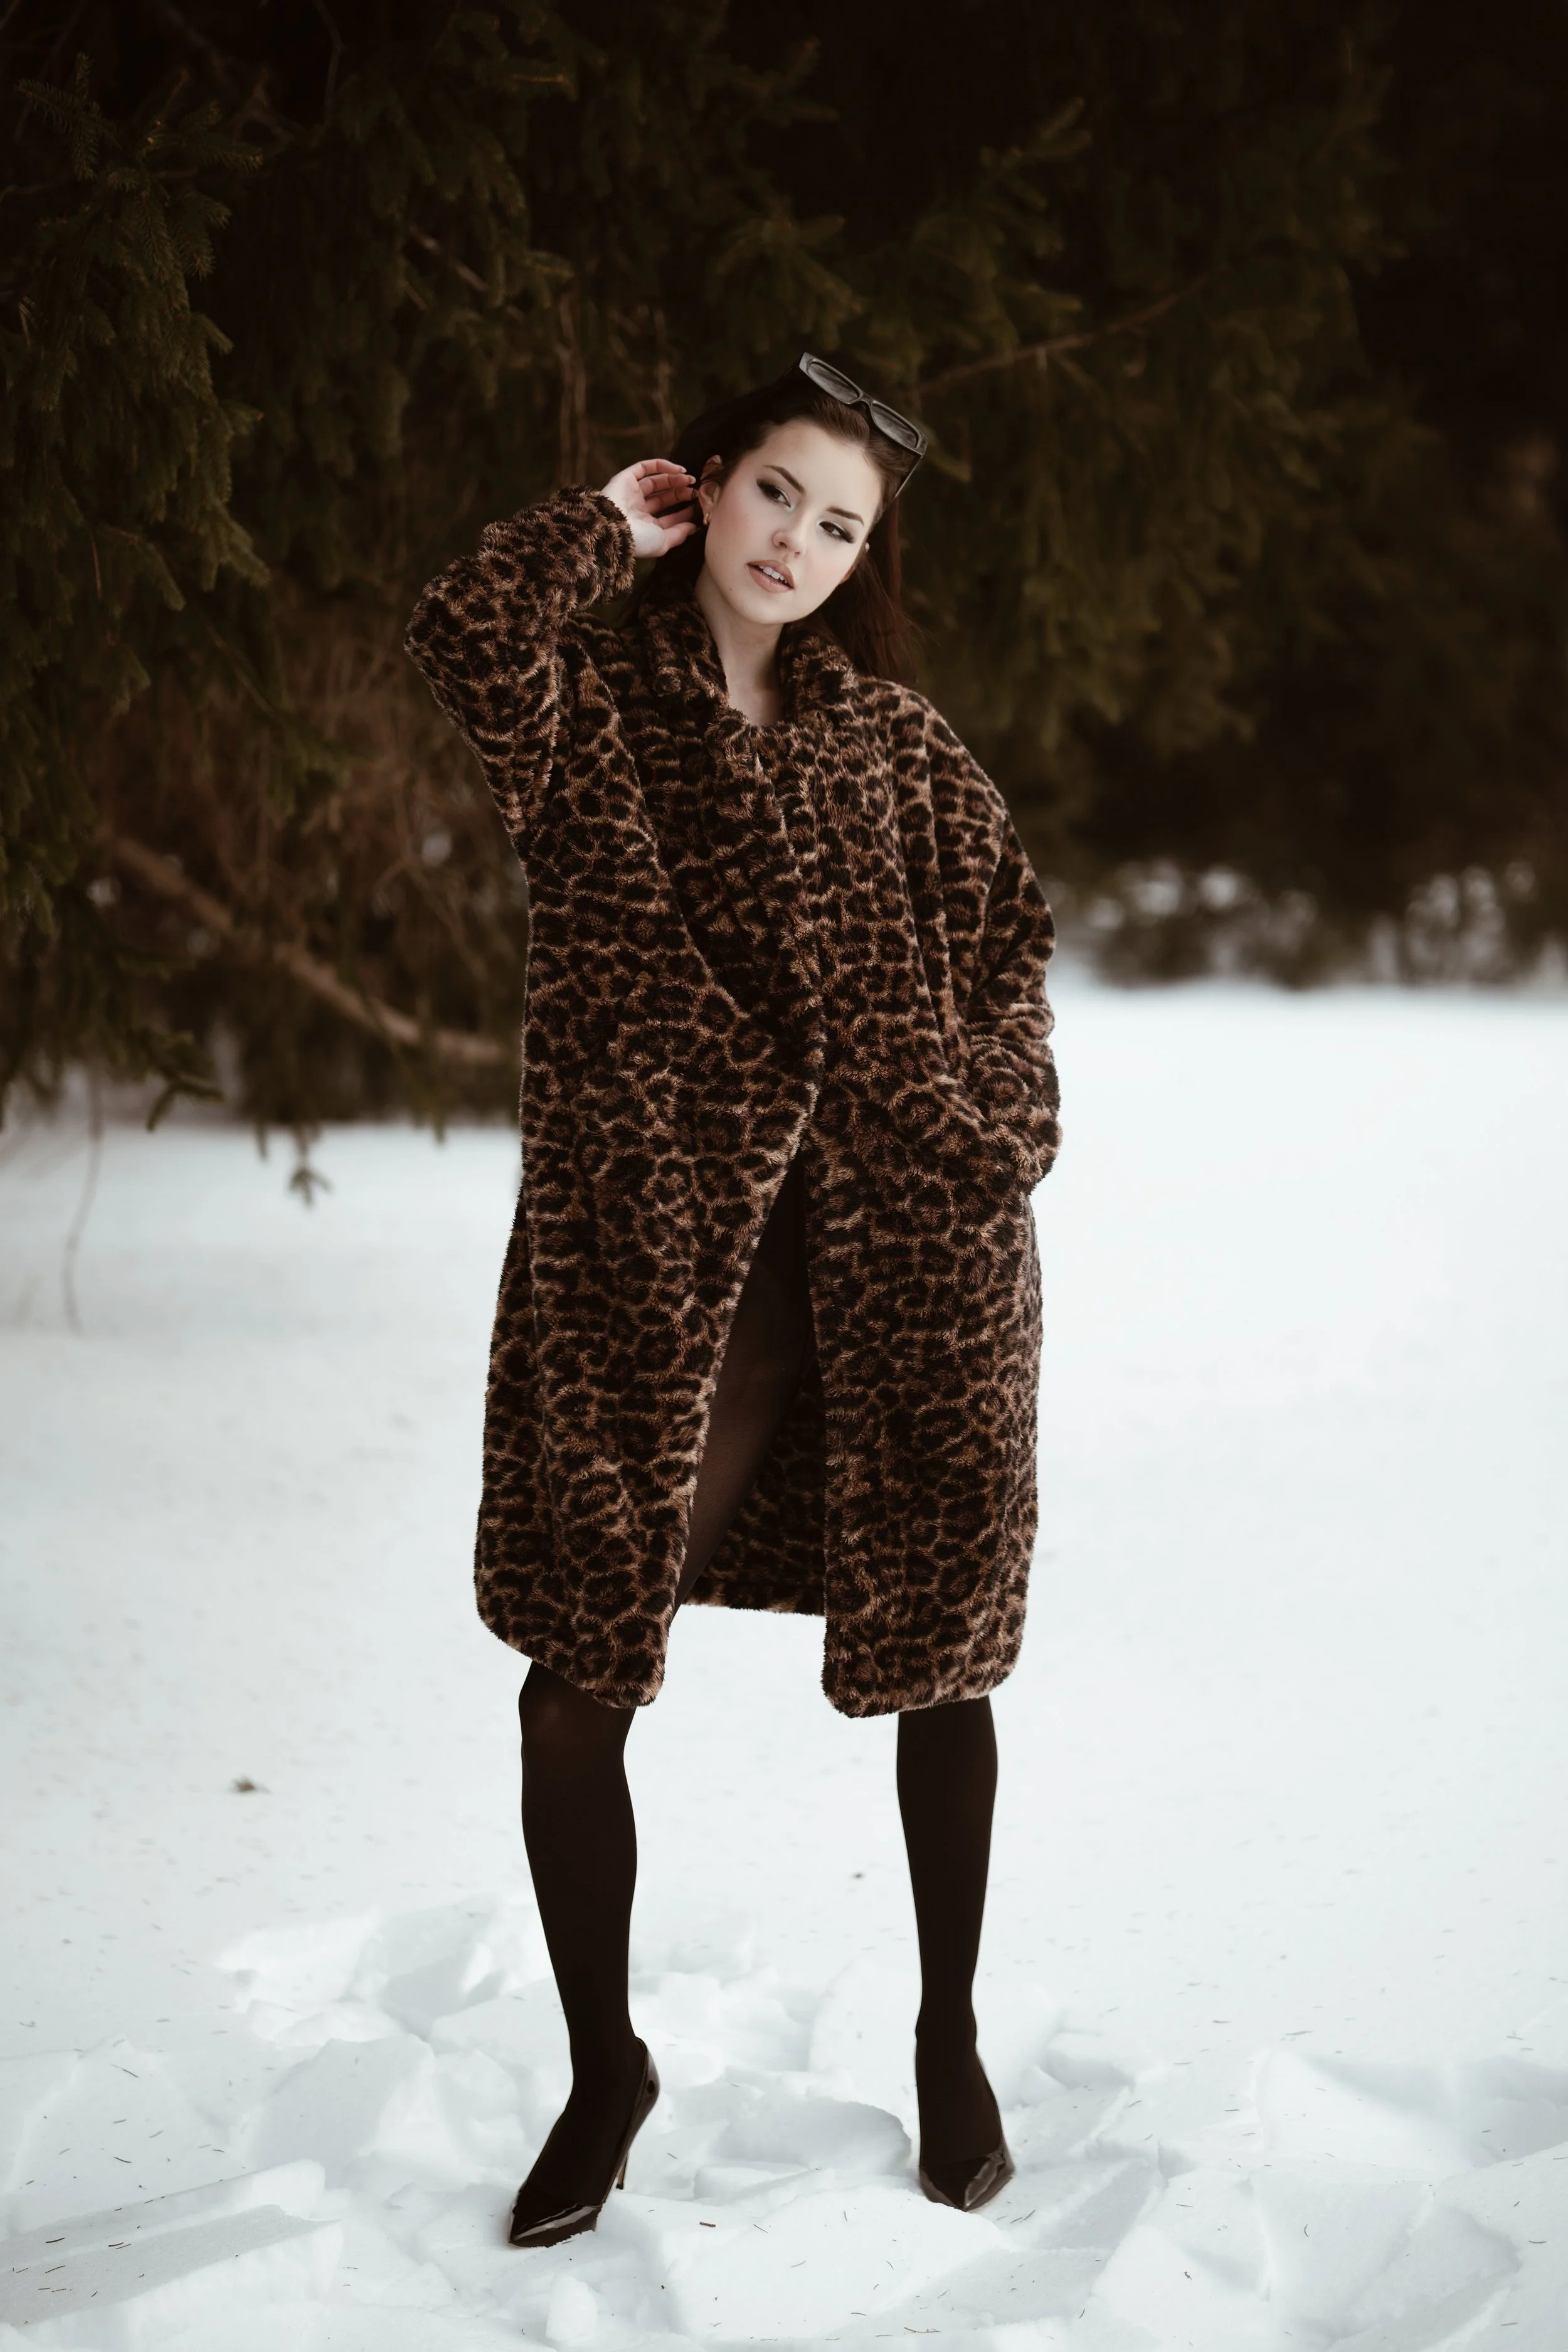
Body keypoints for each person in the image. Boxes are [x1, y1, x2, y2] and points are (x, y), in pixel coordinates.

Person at [404, 352, 1062, 2248]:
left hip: (913, 1263)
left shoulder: (902, 749)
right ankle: (603, 2066)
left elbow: (1011, 950)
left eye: (841, 525)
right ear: (708, 483)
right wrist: (599, 530)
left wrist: (992, 1131)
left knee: (943, 1656)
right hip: (653, 1267)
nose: (799, 544)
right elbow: (462, 629)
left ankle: (949, 2037)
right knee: (575, 1676)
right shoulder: (592, 704)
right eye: (776, 493)